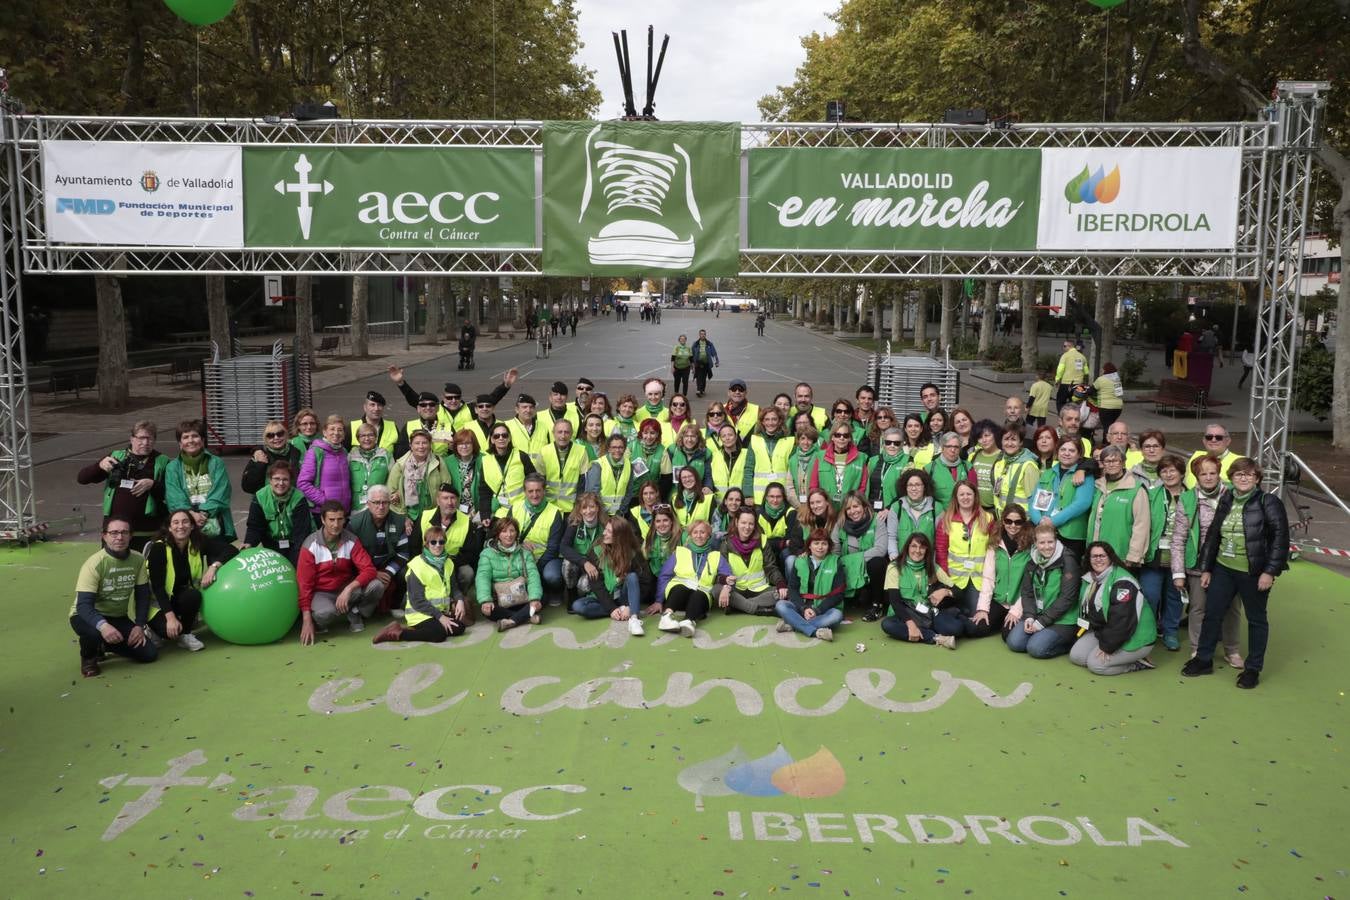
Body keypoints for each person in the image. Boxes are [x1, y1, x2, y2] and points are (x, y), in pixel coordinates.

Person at [1182, 458, 1288, 689]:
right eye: (1239, 474)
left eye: (1249, 475)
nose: (1243, 478)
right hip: (1223, 568)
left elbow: (1280, 540)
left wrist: (1269, 572)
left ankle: (1252, 669)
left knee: (1256, 620)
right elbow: (1213, 536)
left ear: (1257, 478)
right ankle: (1204, 659)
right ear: (1231, 478)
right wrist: (1207, 568)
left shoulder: (1268, 502)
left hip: (1253, 572)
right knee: (1213, 613)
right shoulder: (1227, 498)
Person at [1171, 454, 1243, 664]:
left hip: (1229, 562)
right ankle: (1198, 648)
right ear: (1196, 476)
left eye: (1213, 473)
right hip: (1198, 565)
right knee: (1198, 607)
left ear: (1219, 473)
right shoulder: (1187, 499)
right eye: (1203, 473)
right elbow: (1178, 538)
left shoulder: (1235, 493)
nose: (1209, 477)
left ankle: (1232, 650)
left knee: (1231, 608)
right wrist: (1178, 573)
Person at [70, 518, 157, 677]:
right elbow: (83, 606)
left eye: (124, 532)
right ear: (104, 536)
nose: (119, 537)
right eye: (114, 533)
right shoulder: (94, 564)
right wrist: (103, 626)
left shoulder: (138, 560)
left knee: (149, 654)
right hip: (86, 616)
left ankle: (103, 645)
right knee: (93, 633)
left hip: (117, 617)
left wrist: (139, 625)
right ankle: (89, 658)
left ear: (131, 536)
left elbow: (143, 596)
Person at [143, 510, 233, 652]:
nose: (181, 526)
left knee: (193, 595)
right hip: (156, 605)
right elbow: (158, 588)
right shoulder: (159, 548)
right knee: (170, 633)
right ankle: (152, 629)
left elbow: (231, 550)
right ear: (169, 527)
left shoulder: (197, 542)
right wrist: (171, 618)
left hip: (179, 598)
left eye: (185, 522)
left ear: (192, 526)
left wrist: (213, 567)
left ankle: (186, 635)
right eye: (176, 522)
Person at [296, 501, 380, 643]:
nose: (336, 524)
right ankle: (322, 621)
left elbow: (369, 569)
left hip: (346, 589)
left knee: (376, 585)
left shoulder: (351, 540)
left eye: (340, 519)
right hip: (322, 592)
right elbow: (304, 585)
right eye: (331, 520)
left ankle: (355, 611)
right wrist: (306, 619)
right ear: (323, 520)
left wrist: (348, 589)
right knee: (324, 614)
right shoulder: (310, 545)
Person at [371, 526, 470, 645]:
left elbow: (454, 588)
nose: (437, 545)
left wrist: (459, 600)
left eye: (441, 542)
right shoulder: (417, 566)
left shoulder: (448, 563)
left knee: (460, 627)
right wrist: (440, 617)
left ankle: (427, 629)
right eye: (433, 542)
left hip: (437, 612)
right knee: (438, 635)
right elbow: (417, 601)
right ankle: (398, 632)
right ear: (426, 544)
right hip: (419, 614)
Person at [1069, 541, 1157, 675]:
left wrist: (1107, 647)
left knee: (1096, 665)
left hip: (1134, 636)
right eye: (1094, 556)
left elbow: (1123, 621)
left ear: (1110, 557)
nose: (1098, 559)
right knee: (1077, 657)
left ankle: (1138, 662)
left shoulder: (1123, 582)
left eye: (1102, 556)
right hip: (1104, 631)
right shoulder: (1091, 578)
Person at [77, 420, 169, 540]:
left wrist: (153, 484)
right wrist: (99, 466)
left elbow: (172, 492)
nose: (145, 442)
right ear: (132, 439)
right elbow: (82, 478)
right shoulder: (116, 456)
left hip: (148, 531)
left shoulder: (162, 461)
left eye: (150, 439)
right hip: (115, 532)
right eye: (141, 438)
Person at [1007, 520, 1082, 658]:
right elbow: (1027, 592)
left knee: (1036, 649)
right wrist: (1029, 616)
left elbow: (1067, 598)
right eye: (1042, 543)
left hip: (1062, 619)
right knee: (1014, 643)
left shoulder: (1068, 560)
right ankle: (1041, 634)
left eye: (1050, 542)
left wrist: (1042, 622)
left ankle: (1069, 642)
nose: (1047, 547)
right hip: (1038, 614)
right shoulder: (1033, 560)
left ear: (1056, 540)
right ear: (1035, 543)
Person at [933, 481, 996, 636]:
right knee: (951, 611)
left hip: (978, 580)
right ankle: (958, 617)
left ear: (975, 496)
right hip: (954, 580)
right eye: (962, 494)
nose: (965, 497)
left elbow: (993, 551)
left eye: (969, 494)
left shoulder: (987, 519)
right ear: (956, 497)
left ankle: (959, 619)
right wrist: (946, 580)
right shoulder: (946, 519)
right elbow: (941, 553)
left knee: (979, 623)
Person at [1139, 455, 1188, 651]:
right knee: (1150, 594)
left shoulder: (1192, 497)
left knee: (1175, 596)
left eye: (1172, 470)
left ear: (1182, 473)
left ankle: (1170, 632)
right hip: (1154, 553)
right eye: (1164, 471)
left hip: (1181, 555)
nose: (1168, 474)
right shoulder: (1151, 495)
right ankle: (1148, 630)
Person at [495, 473, 566, 606]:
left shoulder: (555, 513)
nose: (534, 495)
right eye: (530, 491)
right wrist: (519, 543)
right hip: (520, 558)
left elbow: (553, 548)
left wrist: (532, 570)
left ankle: (555, 591)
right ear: (525, 492)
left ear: (544, 491)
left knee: (552, 576)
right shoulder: (515, 508)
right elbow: (504, 536)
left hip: (545, 560)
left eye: (538, 490)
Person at [571, 517, 648, 635]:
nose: (604, 533)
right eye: (605, 530)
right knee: (578, 606)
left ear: (619, 535)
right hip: (604, 597)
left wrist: (628, 606)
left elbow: (644, 581)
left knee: (632, 577)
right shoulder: (596, 551)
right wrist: (611, 608)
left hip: (623, 596)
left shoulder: (633, 552)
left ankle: (634, 618)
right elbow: (596, 584)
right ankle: (621, 610)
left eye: (608, 531)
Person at [880, 533, 957, 650]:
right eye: (914, 546)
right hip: (903, 613)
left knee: (955, 629)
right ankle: (935, 637)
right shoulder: (895, 567)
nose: (918, 551)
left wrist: (945, 591)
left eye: (922, 547)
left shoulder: (932, 567)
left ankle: (931, 626)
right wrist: (910, 625)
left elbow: (957, 590)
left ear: (927, 550)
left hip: (926, 612)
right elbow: (895, 602)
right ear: (907, 548)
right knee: (888, 625)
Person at [656, 519, 730, 638]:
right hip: (679, 595)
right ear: (690, 535)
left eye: (702, 532)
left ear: (708, 535)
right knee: (680, 588)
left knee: (699, 595)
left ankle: (688, 621)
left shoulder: (716, 556)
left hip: (701, 596)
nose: (699, 536)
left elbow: (728, 576)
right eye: (695, 532)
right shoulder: (680, 551)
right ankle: (666, 617)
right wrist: (658, 601)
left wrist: (727, 588)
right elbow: (664, 576)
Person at [347, 484, 414, 616]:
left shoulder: (400, 521)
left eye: (385, 502)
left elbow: (403, 553)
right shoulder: (354, 524)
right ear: (368, 504)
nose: (381, 506)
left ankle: (395, 605)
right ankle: (358, 609)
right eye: (376, 502)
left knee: (407, 573)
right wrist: (373, 572)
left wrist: (388, 572)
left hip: (388, 565)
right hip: (363, 567)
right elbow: (351, 557)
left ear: (390, 503)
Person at [164, 418, 235, 541]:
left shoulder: (216, 462)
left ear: (202, 440)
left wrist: (203, 513)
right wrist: (191, 515)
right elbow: (174, 496)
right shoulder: (172, 467)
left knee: (219, 559)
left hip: (215, 522)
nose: (190, 440)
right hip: (185, 525)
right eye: (185, 437)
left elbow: (221, 492)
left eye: (195, 436)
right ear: (180, 444)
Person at [1029, 436, 1095, 559]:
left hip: (1071, 536)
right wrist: (1039, 521)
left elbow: (1082, 503)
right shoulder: (1048, 473)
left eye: (1072, 450)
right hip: (1044, 532)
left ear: (1079, 454)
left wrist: (1053, 521)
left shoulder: (1084, 475)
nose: (1067, 453)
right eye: (1063, 449)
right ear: (1057, 452)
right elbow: (1034, 501)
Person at [834, 492, 895, 622]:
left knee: (878, 563)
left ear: (864, 506)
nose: (852, 511)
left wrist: (853, 560)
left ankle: (876, 605)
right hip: (849, 572)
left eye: (856, 506)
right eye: (848, 508)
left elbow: (880, 549)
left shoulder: (877, 521)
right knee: (835, 564)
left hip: (869, 570)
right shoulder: (839, 524)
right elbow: (835, 552)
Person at [1086, 445, 1151, 568]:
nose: (1111, 464)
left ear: (1123, 462)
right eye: (1107, 461)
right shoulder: (1097, 486)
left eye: (1115, 460)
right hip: (1096, 554)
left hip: (1121, 555)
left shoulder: (1135, 489)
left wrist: (1134, 556)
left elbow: (1141, 525)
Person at [776, 528, 845, 642]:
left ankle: (794, 625)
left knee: (837, 615)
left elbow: (838, 594)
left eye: (824, 543)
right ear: (809, 546)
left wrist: (817, 610)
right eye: (816, 543)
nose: (820, 547)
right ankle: (814, 631)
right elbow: (793, 589)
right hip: (802, 607)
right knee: (781, 605)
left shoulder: (836, 562)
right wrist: (803, 609)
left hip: (823, 609)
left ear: (829, 546)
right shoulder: (800, 561)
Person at [477, 516, 544, 631]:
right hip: (500, 599)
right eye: (504, 531)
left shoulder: (525, 553)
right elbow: (483, 577)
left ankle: (512, 620)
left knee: (541, 597)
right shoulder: (487, 554)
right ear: (498, 534)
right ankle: (525, 618)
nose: (509, 535)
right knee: (488, 611)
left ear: (517, 533)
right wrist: (485, 600)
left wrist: (534, 598)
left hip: (521, 597)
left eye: (512, 530)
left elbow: (533, 575)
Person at [720, 508, 788, 615]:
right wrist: (725, 585)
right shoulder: (726, 542)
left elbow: (771, 567)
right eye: (743, 523)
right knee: (716, 590)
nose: (747, 527)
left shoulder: (762, 541)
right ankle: (758, 609)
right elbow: (722, 570)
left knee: (782, 593)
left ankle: (738, 606)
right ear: (737, 522)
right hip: (736, 589)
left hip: (759, 589)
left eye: (751, 524)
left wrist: (781, 583)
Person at [242, 461, 312, 565]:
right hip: (270, 544)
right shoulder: (260, 496)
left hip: (294, 544)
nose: (281, 483)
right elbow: (255, 526)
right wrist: (249, 543)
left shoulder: (299, 498)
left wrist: (294, 559)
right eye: (277, 479)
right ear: (270, 480)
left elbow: (301, 532)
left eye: (285, 479)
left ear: (290, 481)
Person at [297, 414, 352, 515]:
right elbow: (303, 483)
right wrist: (324, 501)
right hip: (323, 511)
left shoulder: (344, 452)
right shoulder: (316, 452)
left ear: (344, 434)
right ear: (324, 432)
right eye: (332, 429)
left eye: (340, 430)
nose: (336, 433)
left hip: (343, 511)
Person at [387, 430, 445, 522]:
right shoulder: (400, 465)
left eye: (424, 443)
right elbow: (391, 492)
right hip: (409, 517)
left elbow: (446, 488)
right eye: (417, 443)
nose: (421, 446)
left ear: (430, 445)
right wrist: (404, 518)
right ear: (411, 445)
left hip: (432, 515)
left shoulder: (439, 463)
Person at [810, 422, 870, 509]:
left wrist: (855, 504)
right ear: (832, 437)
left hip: (850, 509)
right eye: (838, 435)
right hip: (826, 509)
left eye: (846, 435)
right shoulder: (820, 456)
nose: (842, 438)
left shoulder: (860, 458)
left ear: (850, 438)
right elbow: (813, 485)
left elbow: (863, 487)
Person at [480, 423, 535, 517]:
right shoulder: (485, 461)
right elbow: (484, 491)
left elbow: (534, 482)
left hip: (522, 510)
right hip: (500, 512)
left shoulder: (521, 456)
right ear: (492, 440)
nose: (501, 438)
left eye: (504, 435)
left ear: (509, 438)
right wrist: (485, 514)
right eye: (496, 436)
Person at [560, 492, 606, 598]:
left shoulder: (605, 525)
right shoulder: (574, 524)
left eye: (592, 507)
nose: (588, 511)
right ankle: (571, 596)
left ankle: (584, 596)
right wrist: (584, 562)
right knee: (567, 564)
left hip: (596, 565)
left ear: (598, 508)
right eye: (584, 508)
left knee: (583, 586)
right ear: (580, 510)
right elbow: (563, 547)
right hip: (579, 563)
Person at [241, 419, 302, 495]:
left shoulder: (296, 453)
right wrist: (260, 464)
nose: (276, 438)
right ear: (265, 439)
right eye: (270, 435)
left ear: (286, 435)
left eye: (280, 434)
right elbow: (247, 486)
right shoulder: (260, 455)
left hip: (293, 498)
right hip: (266, 501)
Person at [991, 426, 1040, 516]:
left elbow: (1034, 500)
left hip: (1021, 522)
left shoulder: (1028, 466)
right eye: (1006, 439)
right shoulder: (1000, 462)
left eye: (1013, 439)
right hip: (1003, 520)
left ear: (1020, 442)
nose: (1009, 443)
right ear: (1001, 442)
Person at [749, 406, 792, 505]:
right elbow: (748, 469)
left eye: (774, 419)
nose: (770, 423)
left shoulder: (790, 442)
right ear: (762, 422)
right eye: (767, 419)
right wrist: (748, 494)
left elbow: (792, 472)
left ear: (780, 421)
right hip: (759, 497)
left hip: (782, 496)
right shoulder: (754, 440)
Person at [586, 433, 635, 516]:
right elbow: (593, 492)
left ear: (624, 449)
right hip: (600, 513)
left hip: (619, 513)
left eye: (620, 447)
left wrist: (621, 511)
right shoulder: (598, 465)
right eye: (614, 447)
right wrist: (602, 512)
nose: (617, 450)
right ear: (608, 449)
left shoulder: (629, 465)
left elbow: (629, 491)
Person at [925, 432, 974, 514]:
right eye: (949, 446)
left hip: (964, 516)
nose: (952, 450)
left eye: (956, 447)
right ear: (943, 447)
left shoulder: (968, 467)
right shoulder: (929, 469)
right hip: (940, 517)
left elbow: (974, 494)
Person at [348, 423, 393, 511]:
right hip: (356, 508)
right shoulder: (351, 457)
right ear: (358, 438)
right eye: (363, 436)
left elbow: (393, 483)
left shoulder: (386, 455)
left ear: (376, 437)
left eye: (371, 435)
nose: (367, 439)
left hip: (380, 508)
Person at [442, 429, 484, 522]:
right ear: (455, 445)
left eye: (468, 443)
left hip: (479, 511)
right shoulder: (447, 462)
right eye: (460, 443)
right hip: (455, 511)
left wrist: (484, 511)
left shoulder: (484, 460)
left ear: (474, 445)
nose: (464, 446)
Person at [629, 419, 670, 500]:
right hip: (632, 495)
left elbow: (666, 479)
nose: (648, 437)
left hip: (651, 497)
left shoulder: (663, 451)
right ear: (641, 433)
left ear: (657, 434)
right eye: (645, 433)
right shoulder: (631, 447)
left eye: (652, 433)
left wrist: (658, 497)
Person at [968, 420, 1004, 511]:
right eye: (980, 437)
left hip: (995, 508)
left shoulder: (1003, 457)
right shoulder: (973, 456)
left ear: (995, 435)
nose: (984, 440)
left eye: (987, 435)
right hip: (974, 507)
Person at [785, 422, 821, 508]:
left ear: (814, 440)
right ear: (798, 440)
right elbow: (789, 486)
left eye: (809, 439)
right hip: (797, 505)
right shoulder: (793, 459)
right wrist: (799, 506)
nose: (806, 442)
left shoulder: (820, 457)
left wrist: (813, 505)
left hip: (816, 504)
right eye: (803, 438)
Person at [1091, 362, 1125, 445]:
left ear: (1105, 370)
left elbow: (1091, 390)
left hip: (1105, 407)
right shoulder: (1117, 379)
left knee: (1107, 426)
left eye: (1103, 369)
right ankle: (1106, 441)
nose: (1102, 371)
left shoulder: (1101, 379)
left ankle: (1107, 443)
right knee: (1110, 425)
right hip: (1118, 407)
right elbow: (1120, 393)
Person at [1054, 339, 1090, 412]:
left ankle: (1062, 417)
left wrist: (1057, 379)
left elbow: (1060, 369)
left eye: (1064, 346)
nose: (1063, 348)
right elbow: (1086, 372)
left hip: (1066, 383)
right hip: (1079, 384)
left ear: (1069, 346)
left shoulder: (1065, 356)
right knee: (1075, 403)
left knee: (1060, 401)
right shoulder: (1082, 357)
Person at [691, 328, 720, 397]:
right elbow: (691, 353)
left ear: (705, 335)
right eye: (701, 334)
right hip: (698, 362)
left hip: (706, 363)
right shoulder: (695, 344)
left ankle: (702, 389)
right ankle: (698, 390)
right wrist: (691, 364)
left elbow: (714, 353)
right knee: (698, 376)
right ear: (699, 335)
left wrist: (717, 361)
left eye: (704, 334)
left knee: (703, 377)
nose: (702, 335)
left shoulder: (709, 344)